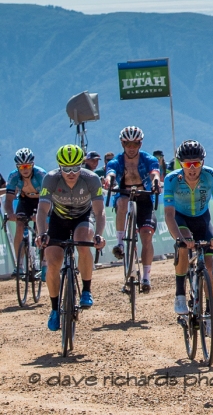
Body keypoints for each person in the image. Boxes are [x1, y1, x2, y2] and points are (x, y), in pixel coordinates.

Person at [35, 145, 106, 331]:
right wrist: (41, 233)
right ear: (59, 167)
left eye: (75, 168)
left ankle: (86, 290)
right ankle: (54, 309)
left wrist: (98, 234)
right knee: (52, 262)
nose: (71, 173)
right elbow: (42, 211)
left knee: (83, 242)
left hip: (83, 217)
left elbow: (100, 212)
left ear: (81, 165)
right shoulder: (50, 179)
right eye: (66, 169)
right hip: (59, 220)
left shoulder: (91, 179)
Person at [163, 140, 213, 336]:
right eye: (188, 164)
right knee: (184, 244)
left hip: (202, 221)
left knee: (211, 266)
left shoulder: (211, 176)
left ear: (202, 163)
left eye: (196, 164)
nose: (192, 169)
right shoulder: (171, 180)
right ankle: (180, 294)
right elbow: (169, 216)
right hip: (181, 219)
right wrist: (179, 239)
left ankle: (210, 314)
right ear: (181, 164)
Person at [103, 126, 161, 293]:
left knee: (147, 236)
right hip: (124, 195)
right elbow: (111, 172)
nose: (131, 147)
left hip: (144, 198)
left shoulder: (148, 159)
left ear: (140, 144)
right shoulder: (117, 160)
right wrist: (108, 180)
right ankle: (120, 243)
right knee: (121, 202)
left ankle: (146, 277)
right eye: (127, 143)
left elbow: (154, 172)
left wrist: (156, 181)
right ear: (122, 144)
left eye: (134, 144)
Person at [4, 149, 47, 279]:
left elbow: (48, 199)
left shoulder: (41, 175)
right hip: (25, 200)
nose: (25, 169)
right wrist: (10, 213)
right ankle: (20, 265)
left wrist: (40, 216)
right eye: (21, 167)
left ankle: (45, 264)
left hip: (42, 200)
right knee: (19, 226)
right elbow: (9, 200)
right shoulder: (13, 177)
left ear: (32, 165)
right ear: (17, 167)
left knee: (42, 228)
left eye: (27, 166)